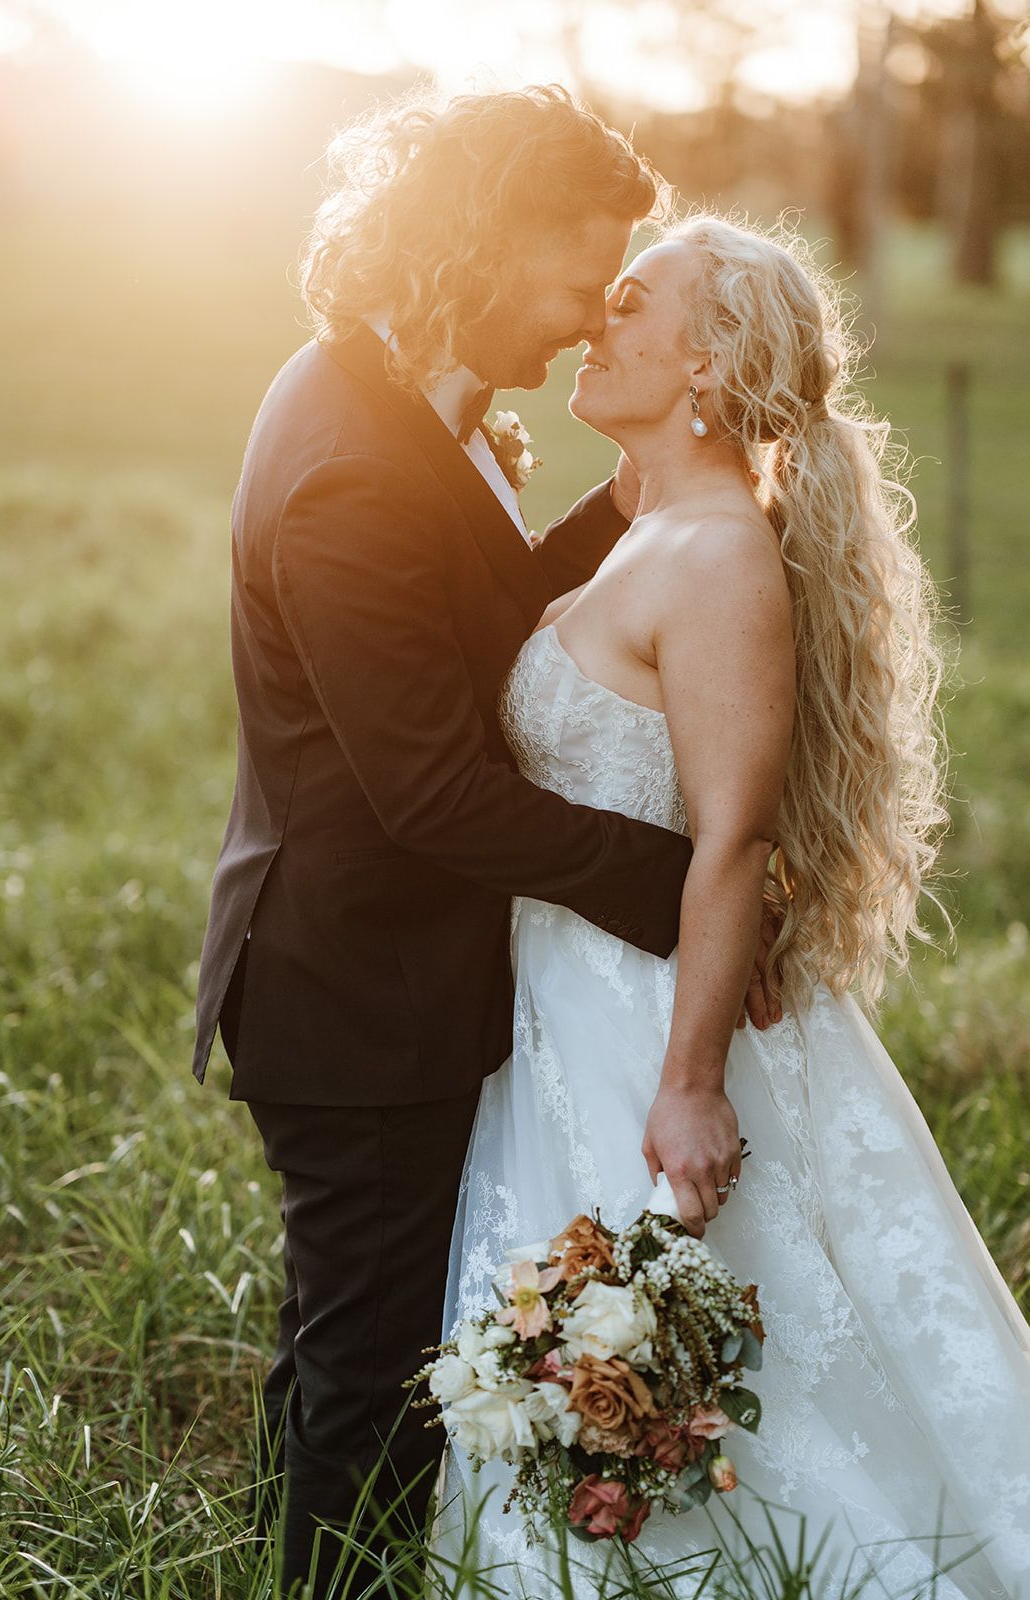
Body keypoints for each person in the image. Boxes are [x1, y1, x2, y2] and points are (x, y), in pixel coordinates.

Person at [189, 92, 782, 1600]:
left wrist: (635, 503)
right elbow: (434, 792)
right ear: (480, 239)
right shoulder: (350, 464)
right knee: (374, 1378)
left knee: (345, 1342)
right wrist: (687, 885)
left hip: (372, 979)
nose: (594, 310)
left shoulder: (389, 405)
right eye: (579, 274)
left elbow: (482, 619)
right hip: (354, 995)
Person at [435, 215, 1030, 1599]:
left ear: (705, 360)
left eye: (632, 302)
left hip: (657, 1025)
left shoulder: (715, 559)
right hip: (565, 1007)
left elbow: (735, 836)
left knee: (741, 1376)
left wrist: (693, 1083)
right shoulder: (654, 531)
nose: (598, 317)